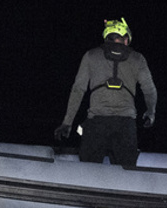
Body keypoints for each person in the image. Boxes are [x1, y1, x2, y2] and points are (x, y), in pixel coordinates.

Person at [55, 18, 157, 167]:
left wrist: (67, 123)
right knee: (126, 174)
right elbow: (149, 90)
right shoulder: (138, 59)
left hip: (96, 124)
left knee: (88, 172)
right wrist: (150, 112)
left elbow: (78, 90)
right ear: (126, 39)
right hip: (125, 126)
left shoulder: (91, 55)